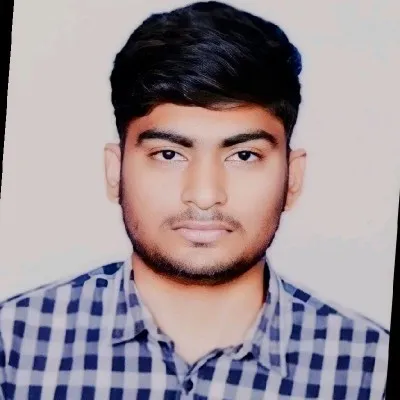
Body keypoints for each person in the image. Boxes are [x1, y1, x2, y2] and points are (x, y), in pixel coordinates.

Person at [0, 1, 389, 399]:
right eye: (169, 155)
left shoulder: (371, 369)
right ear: (115, 172)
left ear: (293, 178)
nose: (204, 196)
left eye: (243, 156)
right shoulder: (14, 348)